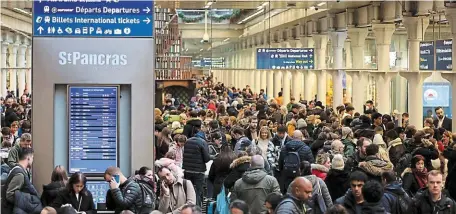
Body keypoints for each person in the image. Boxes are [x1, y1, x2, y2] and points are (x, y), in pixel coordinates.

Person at [2, 148, 42, 214]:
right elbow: (9, 195)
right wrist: (28, 203)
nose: (32, 160)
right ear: (28, 158)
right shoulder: (19, 174)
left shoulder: (16, 169)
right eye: (32, 158)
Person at [182, 134, 210, 206]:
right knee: (198, 191)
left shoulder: (187, 141)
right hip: (199, 171)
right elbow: (206, 158)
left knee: (188, 190)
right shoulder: (203, 142)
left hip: (187, 170)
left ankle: (187, 208)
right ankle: (197, 209)